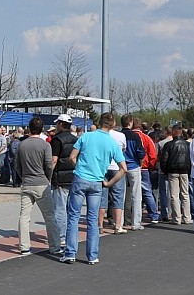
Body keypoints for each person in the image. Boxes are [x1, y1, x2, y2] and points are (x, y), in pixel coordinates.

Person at [60, 112, 126, 265]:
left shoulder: (86, 136)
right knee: (92, 219)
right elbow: (123, 168)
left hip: (81, 178)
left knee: (73, 216)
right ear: (112, 125)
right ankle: (92, 255)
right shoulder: (112, 144)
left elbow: (72, 157)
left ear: (100, 122)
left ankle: (70, 253)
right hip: (97, 181)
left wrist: (79, 167)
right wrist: (109, 183)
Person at [16, 117, 62, 256]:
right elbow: (48, 164)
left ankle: (24, 246)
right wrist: (48, 177)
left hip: (27, 183)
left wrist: (23, 176)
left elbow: (17, 165)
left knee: (24, 216)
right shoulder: (45, 145)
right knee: (49, 216)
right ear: (42, 129)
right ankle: (54, 246)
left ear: (29, 128)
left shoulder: (21, 145)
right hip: (41, 183)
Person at [50, 114, 78, 246]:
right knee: (71, 209)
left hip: (60, 178)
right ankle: (71, 234)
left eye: (57, 123)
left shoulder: (57, 140)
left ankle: (61, 236)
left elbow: (53, 160)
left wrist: (48, 175)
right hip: (73, 176)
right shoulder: (76, 139)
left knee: (60, 209)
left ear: (61, 124)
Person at [159, 125, 192, 225]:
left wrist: (165, 171)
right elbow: (191, 159)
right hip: (185, 171)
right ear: (181, 133)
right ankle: (187, 217)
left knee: (174, 195)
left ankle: (176, 218)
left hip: (172, 172)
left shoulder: (168, 145)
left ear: (173, 132)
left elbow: (163, 160)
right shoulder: (187, 144)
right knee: (185, 195)